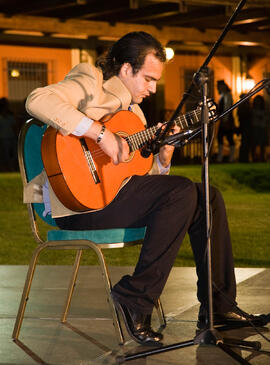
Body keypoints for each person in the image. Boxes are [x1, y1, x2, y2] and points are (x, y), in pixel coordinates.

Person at [25, 32, 266, 346]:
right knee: (181, 191)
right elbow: (37, 100)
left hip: (113, 198)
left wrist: (163, 159)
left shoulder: (135, 116)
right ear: (126, 69)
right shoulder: (90, 80)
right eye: (149, 79)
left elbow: (140, 178)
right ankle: (135, 297)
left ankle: (219, 308)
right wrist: (101, 134)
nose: (153, 88)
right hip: (73, 203)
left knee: (207, 194)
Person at [216, 80, 236, 162]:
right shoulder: (222, 95)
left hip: (227, 120)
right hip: (224, 119)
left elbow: (227, 108)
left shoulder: (227, 95)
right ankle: (221, 157)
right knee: (221, 137)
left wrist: (225, 120)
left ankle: (230, 157)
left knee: (228, 137)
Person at [251, 95, 268, 162]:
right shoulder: (253, 109)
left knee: (262, 144)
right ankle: (254, 158)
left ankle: (262, 157)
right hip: (255, 127)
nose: (258, 102)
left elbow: (266, 118)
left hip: (262, 127)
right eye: (257, 101)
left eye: (259, 101)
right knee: (254, 143)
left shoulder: (264, 109)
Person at [237, 93, 252, 163]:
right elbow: (241, 116)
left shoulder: (247, 106)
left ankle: (245, 158)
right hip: (244, 126)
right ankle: (243, 158)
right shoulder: (242, 106)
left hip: (247, 126)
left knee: (246, 143)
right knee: (244, 143)